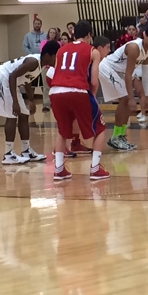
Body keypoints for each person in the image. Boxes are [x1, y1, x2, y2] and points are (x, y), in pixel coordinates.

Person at [46, 26, 110, 181]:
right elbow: (94, 81)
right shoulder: (92, 51)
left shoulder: (61, 50)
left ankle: (59, 169)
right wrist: (92, 97)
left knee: (62, 130)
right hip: (78, 90)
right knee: (100, 128)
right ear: (89, 35)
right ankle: (95, 168)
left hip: (55, 91)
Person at [98, 26, 148, 150]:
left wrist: (147, 95)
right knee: (126, 100)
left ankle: (120, 136)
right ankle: (116, 137)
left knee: (126, 101)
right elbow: (128, 74)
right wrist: (132, 98)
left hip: (119, 73)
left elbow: (146, 72)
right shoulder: (134, 47)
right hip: (108, 68)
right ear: (144, 35)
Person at [0, 50, 45, 164]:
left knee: (24, 114)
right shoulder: (33, 61)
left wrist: (31, 99)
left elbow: (26, 79)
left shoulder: (40, 64)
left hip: (10, 81)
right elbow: (12, 76)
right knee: (12, 115)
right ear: (49, 55)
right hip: (1, 78)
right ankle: (8, 154)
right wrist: (15, 101)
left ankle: (26, 150)